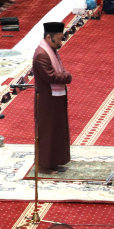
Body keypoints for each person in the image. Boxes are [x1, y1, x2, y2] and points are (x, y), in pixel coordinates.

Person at [34, 21, 73, 173]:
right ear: (49, 37)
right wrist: (67, 77)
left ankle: (54, 161)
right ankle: (44, 166)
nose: (61, 42)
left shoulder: (50, 50)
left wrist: (64, 75)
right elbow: (51, 77)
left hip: (55, 97)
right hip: (47, 99)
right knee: (48, 131)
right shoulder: (41, 55)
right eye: (59, 39)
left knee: (57, 130)